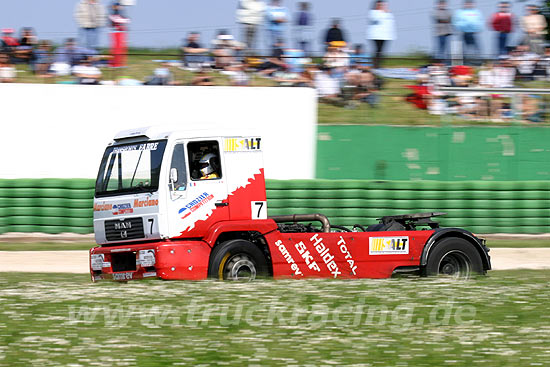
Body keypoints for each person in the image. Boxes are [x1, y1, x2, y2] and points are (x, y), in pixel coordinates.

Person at [366, 0, 396, 69]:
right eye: (380, 5)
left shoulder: (388, 13)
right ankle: (375, 65)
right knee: (377, 50)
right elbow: (375, 18)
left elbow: (390, 23)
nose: (381, 6)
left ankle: (379, 65)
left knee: (382, 51)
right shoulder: (373, 12)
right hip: (376, 35)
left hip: (385, 36)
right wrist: (382, 12)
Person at [452, 0, 483, 65]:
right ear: (465, 4)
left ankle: (477, 63)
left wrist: (478, 28)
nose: (468, 5)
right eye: (467, 3)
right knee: (462, 50)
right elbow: (455, 22)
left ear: (472, 4)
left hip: (473, 33)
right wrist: (461, 27)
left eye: (470, 3)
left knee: (476, 49)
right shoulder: (460, 12)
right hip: (464, 33)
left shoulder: (476, 12)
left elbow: (480, 21)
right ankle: (462, 64)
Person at [109, 1, 130, 67]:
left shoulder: (120, 13)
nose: (118, 7)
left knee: (122, 49)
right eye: (116, 6)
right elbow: (117, 20)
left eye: (118, 6)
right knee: (116, 49)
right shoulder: (112, 14)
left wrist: (123, 20)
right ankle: (115, 64)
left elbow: (128, 20)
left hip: (121, 32)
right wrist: (123, 20)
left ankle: (121, 63)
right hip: (115, 32)